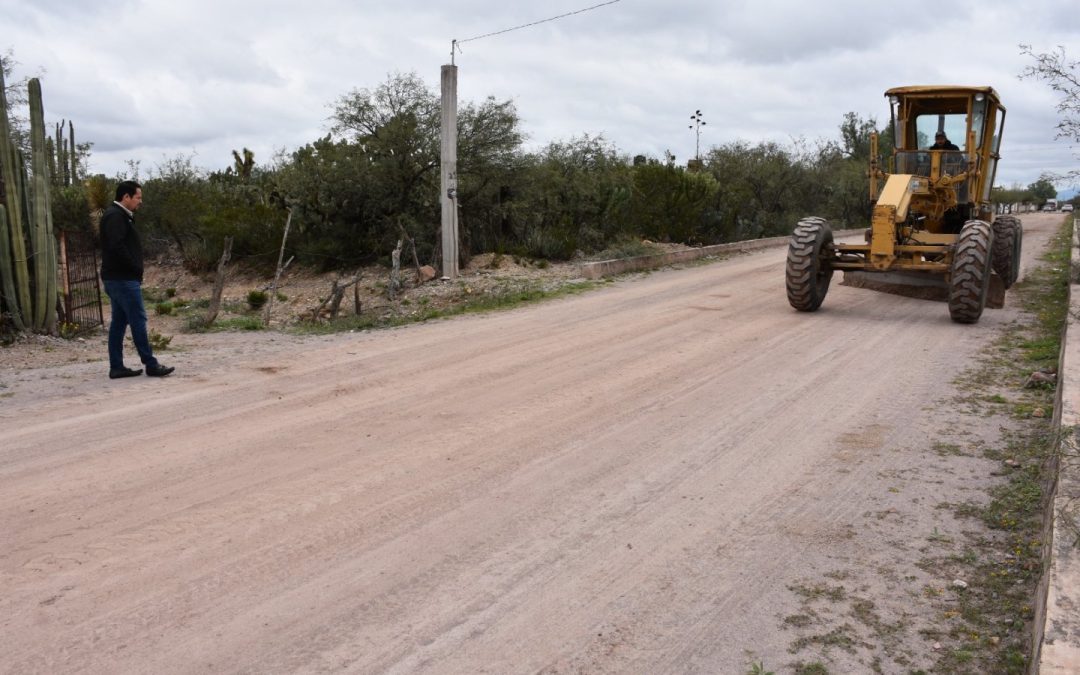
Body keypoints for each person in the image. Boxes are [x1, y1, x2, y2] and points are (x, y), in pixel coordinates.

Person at [99, 180, 175, 379]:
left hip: (116, 278)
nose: (140, 201)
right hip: (122, 279)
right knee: (138, 319)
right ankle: (150, 364)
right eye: (138, 197)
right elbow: (117, 246)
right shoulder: (116, 216)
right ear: (126, 197)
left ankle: (117, 366)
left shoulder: (118, 216)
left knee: (119, 322)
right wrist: (134, 267)